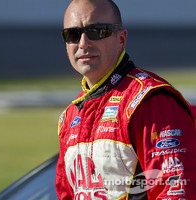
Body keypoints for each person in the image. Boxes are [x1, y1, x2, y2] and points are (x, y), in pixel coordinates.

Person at [55, 0, 196, 199]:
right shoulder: (70, 115)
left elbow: (176, 192)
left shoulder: (150, 100)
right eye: (73, 34)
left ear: (121, 38)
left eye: (97, 31)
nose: (83, 43)